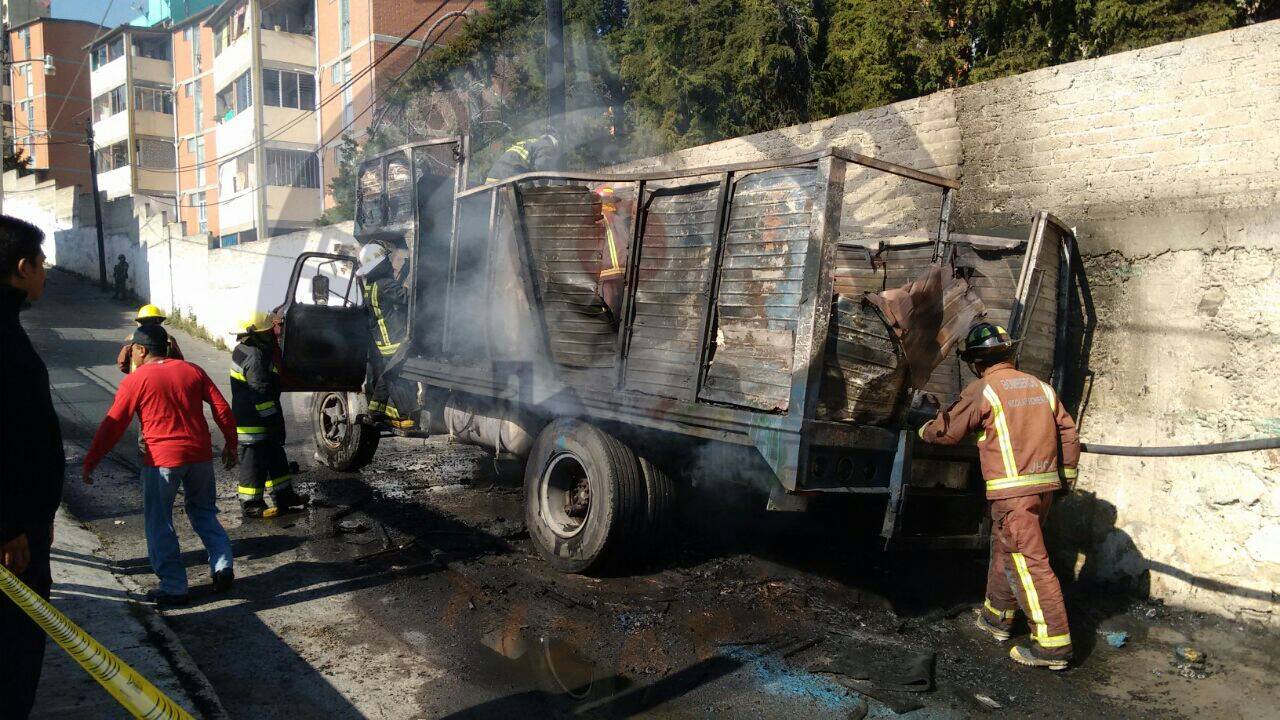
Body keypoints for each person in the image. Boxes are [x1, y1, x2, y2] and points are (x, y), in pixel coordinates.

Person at [916, 322, 1080, 671]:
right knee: (1007, 551)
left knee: (1029, 562)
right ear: (1010, 353)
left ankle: (1053, 645)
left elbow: (947, 432)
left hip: (1012, 493)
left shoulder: (985, 389)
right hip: (1043, 489)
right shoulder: (1042, 388)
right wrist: (1065, 479)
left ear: (976, 362)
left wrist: (922, 427)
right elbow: (1068, 432)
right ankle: (996, 618)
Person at [81, 324, 238, 606]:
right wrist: (230, 443)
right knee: (204, 512)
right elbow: (221, 408)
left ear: (141, 350)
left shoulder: (136, 380)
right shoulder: (192, 370)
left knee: (159, 522)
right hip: (199, 455)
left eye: (132, 351)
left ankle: (175, 587)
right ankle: (222, 564)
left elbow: (113, 426)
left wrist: (92, 460)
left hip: (161, 460)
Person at [0, 216, 64, 720]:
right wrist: (11, 524)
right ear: (22, 269)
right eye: (42, 264)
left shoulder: (9, 329)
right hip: (13, 541)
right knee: (14, 654)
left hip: (20, 529)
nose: (47, 272)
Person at [229, 312, 309, 517]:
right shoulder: (255, 357)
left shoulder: (243, 349)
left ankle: (285, 496)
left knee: (275, 457)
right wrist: (274, 422)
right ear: (257, 334)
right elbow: (262, 394)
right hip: (254, 421)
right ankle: (251, 505)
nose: (272, 335)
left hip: (254, 417)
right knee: (253, 461)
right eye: (267, 332)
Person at [356, 243, 418, 430]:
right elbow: (408, 299)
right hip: (396, 339)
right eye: (387, 261)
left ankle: (375, 412)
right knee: (395, 376)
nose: (390, 264)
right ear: (381, 264)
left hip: (382, 342)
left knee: (386, 376)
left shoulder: (372, 286)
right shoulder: (385, 285)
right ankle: (404, 414)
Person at [116, 304, 184, 374]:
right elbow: (179, 361)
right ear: (159, 322)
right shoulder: (168, 339)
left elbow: (122, 363)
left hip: (138, 378)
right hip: (163, 378)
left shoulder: (130, 339)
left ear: (140, 323)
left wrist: (133, 372)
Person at [484, 134, 561, 183]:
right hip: (509, 172)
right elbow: (541, 167)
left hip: (493, 176)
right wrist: (544, 184)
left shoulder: (530, 142)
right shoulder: (546, 144)